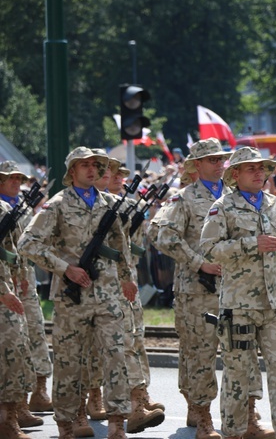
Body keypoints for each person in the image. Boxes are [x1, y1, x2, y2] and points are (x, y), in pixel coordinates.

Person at [17, 147, 143, 439]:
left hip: (108, 295)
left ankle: (116, 423)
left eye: (95, 165)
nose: (90, 169)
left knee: (115, 356)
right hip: (71, 298)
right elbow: (28, 243)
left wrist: (126, 278)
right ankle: (66, 423)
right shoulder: (57, 205)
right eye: (83, 165)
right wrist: (64, 268)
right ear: (71, 171)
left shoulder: (109, 204)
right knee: (68, 363)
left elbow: (120, 245)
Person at [200, 147, 276, 439]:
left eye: (263, 168)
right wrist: (252, 243)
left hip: (274, 304)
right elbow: (209, 250)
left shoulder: (274, 204)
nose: (259, 173)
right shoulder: (222, 207)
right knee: (238, 375)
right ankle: (236, 432)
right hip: (239, 305)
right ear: (235, 174)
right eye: (251, 168)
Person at [156, 138, 234, 439]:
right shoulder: (183, 199)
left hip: (233, 289)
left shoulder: (234, 196)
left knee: (237, 354)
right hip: (196, 292)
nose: (218, 164)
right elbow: (162, 235)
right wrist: (198, 262)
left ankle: (239, 415)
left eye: (220, 159)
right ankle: (202, 415)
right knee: (199, 354)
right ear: (197, 165)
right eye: (211, 159)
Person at [91, 152, 165, 434]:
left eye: (121, 174)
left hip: (124, 280)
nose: (118, 178)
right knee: (106, 350)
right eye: (113, 173)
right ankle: (102, 401)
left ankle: (138, 399)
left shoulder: (124, 205)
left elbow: (132, 246)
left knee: (133, 341)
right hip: (99, 285)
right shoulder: (90, 206)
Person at [0, 162, 53, 424]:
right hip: (5, 281)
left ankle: (35, 393)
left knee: (33, 332)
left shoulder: (19, 205)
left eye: (18, 178)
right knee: (11, 342)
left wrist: (21, 275)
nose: (15, 182)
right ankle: (13, 408)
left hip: (22, 279)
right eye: (10, 178)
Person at [0, 198, 35, 439]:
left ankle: (7, 419)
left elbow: (12, 247)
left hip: (6, 293)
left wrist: (19, 275)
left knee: (13, 353)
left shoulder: (3, 209)